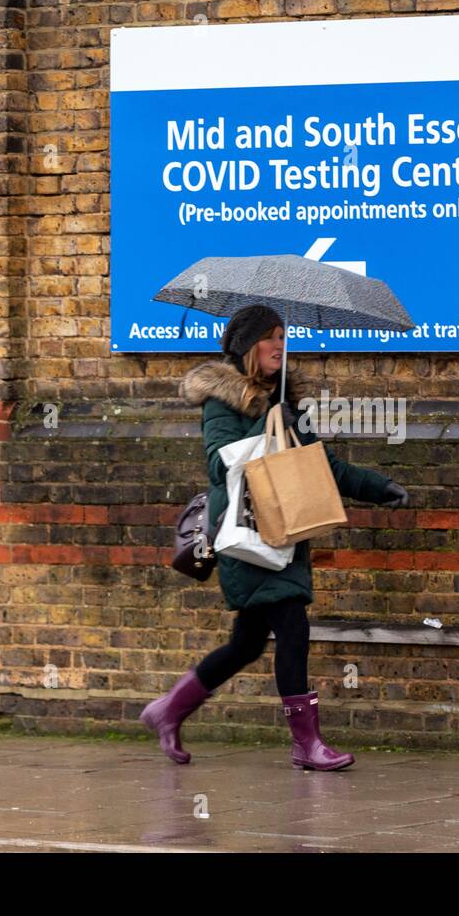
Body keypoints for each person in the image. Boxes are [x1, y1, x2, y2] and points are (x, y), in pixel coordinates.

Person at [139, 304, 408, 771]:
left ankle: (169, 710)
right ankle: (306, 744)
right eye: (270, 337)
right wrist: (269, 429)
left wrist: (377, 487)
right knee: (292, 628)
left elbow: (320, 466)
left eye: (283, 336)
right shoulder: (222, 400)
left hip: (284, 536)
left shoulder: (287, 403)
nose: (280, 345)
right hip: (248, 537)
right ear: (247, 346)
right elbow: (218, 463)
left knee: (246, 643)